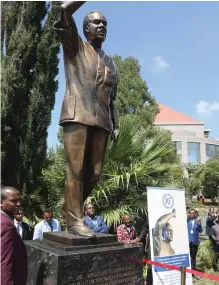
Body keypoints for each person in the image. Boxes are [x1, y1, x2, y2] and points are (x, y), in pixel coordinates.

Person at [53, 1, 119, 237]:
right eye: (96, 22)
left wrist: (116, 124)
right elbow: (64, 11)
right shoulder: (75, 47)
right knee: (76, 170)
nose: (101, 26)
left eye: (104, 23)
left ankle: (70, 207)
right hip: (77, 114)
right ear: (85, 27)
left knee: (94, 174)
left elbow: (112, 99)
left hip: (102, 122)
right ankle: (74, 219)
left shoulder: (111, 63)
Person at [1, 186, 28, 285]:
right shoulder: (5, 225)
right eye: (14, 201)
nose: (19, 204)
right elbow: (5, 263)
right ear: (1, 202)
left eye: (19, 200)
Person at [187, 209, 202, 276]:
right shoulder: (187, 221)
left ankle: (193, 271)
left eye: (193, 213)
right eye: (190, 213)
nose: (191, 214)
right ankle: (187, 270)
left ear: (195, 214)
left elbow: (200, 230)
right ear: (189, 214)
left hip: (195, 241)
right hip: (187, 241)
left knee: (193, 257)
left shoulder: (197, 221)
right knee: (188, 256)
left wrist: (199, 223)